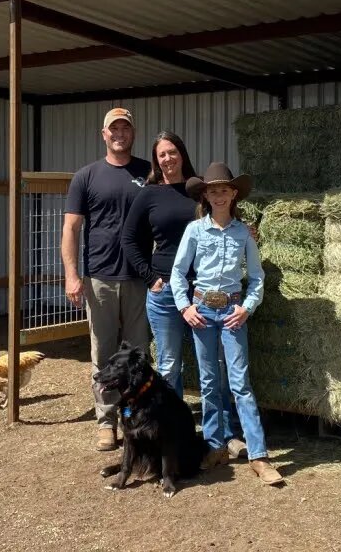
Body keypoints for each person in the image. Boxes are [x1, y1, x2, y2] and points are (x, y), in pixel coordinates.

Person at [121, 132, 246, 457]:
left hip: (204, 294)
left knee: (214, 366)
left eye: (172, 152)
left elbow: (228, 217)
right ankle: (169, 434)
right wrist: (150, 279)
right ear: (155, 159)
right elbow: (129, 239)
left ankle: (224, 434)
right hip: (164, 294)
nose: (167, 159)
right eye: (161, 154)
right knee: (169, 366)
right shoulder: (149, 195)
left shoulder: (199, 190)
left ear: (181, 154)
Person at [169, 162, 283, 485]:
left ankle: (259, 456)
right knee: (208, 382)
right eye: (212, 190)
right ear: (205, 195)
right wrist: (185, 307)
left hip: (233, 311)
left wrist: (246, 308)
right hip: (202, 310)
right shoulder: (194, 231)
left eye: (223, 190)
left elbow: (257, 278)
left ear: (233, 194)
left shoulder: (243, 234)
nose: (218, 195)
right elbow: (179, 273)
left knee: (239, 382)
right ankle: (215, 446)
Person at [62, 107, 152, 452]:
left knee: (139, 353)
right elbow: (71, 228)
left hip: (139, 278)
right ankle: (106, 422)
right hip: (99, 277)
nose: (119, 134)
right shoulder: (86, 176)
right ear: (103, 135)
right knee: (103, 354)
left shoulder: (148, 172)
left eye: (125, 128)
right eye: (113, 129)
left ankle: (138, 417)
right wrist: (72, 275)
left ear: (133, 133)